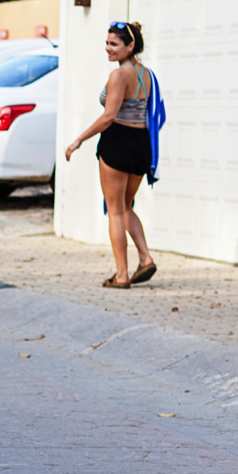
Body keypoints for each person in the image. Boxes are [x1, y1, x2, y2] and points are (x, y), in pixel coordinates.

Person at [65, 20, 160, 289]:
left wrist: (78, 140)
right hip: (142, 144)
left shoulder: (119, 76)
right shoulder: (147, 74)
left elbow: (109, 117)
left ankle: (121, 275)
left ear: (130, 46)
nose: (108, 48)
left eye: (114, 44)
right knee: (126, 206)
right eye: (107, 43)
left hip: (118, 142)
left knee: (116, 211)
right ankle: (146, 258)